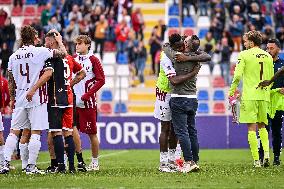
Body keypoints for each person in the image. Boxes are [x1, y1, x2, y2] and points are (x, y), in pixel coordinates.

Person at [0, 26, 67, 174]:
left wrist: (12, 99)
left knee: (13, 132)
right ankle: (31, 166)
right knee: (35, 132)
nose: (38, 38)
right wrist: (60, 41)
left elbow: (11, 81)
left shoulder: (13, 56)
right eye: (37, 36)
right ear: (34, 37)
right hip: (36, 97)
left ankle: (4, 164)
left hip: (19, 97)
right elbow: (63, 54)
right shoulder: (40, 51)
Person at [26, 31, 86, 173]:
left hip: (55, 98)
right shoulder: (69, 58)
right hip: (68, 98)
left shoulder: (50, 57)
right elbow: (82, 72)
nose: (44, 43)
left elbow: (48, 74)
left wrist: (33, 89)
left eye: (46, 41)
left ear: (52, 42)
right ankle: (72, 166)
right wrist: (70, 84)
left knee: (56, 133)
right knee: (68, 132)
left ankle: (60, 165)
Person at [154, 33, 208, 172]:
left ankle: (173, 160)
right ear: (173, 46)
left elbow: (206, 56)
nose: (182, 47)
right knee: (165, 128)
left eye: (183, 44)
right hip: (164, 92)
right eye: (179, 46)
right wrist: (194, 72)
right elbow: (174, 80)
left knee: (176, 130)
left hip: (177, 95)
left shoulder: (183, 53)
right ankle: (163, 162)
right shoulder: (167, 56)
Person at [229, 31, 274, 168]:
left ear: (251, 42)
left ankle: (256, 160)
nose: (244, 43)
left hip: (250, 96)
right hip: (264, 96)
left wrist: (232, 91)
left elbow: (237, 76)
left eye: (245, 41)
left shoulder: (244, 54)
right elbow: (271, 78)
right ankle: (266, 154)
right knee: (262, 126)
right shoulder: (268, 56)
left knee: (251, 128)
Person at [73, 35, 105, 171]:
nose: (77, 46)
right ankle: (76, 160)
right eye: (76, 44)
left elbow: (101, 80)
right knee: (70, 131)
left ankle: (95, 162)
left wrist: (87, 95)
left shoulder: (93, 60)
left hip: (88, 103)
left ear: (87, 45)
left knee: (92, 133)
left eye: (80, 44)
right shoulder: (73, 59)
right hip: (73, 102)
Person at [258, 39, 284, 166]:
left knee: (277, 130)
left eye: (271, 48)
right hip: (264, 101)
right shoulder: (263, 64)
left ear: (278, 49)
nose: (268, 51)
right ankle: (262, 156)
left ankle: (277, 158)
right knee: (264, 129)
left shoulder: (282, 64)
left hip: (278, 102)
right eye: (267, 48)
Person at [0, 75, 9, 167]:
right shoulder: (3, 80)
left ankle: (3, 162)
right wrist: (3, 105)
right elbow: (8, 96)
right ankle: (2, 163)